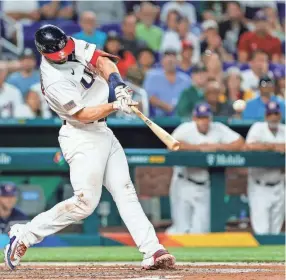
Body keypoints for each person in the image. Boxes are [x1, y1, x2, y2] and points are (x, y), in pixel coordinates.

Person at [4, 24, 175, 271]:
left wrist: (116, 84)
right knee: (85, 203)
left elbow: (102, 60)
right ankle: (25, 234)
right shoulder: (53, 81)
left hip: (102, 131)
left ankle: (152, 250)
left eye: (64, 49)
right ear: (44, 53)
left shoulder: (70, 43)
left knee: (125, 190)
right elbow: (82, 114)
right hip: (80, 135)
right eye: (57, 53)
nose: (63, 55)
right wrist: (115, 106)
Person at [167, 103, 244, 234]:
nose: (203, 121)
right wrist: (199, 148)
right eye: (200, 117)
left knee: (201, 231)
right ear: (194, 118)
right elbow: (171, 144)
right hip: (183, 183)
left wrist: (217, 146)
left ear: (210, 118)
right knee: (181, 229)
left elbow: (240, 142)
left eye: (206, 118)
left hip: (204, 186)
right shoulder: (186, 128)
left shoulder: (218, 128)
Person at [244, 101, 285, 234]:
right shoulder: (258, 128)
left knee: (276, 232)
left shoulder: (284, 130)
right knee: (262, 231)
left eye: (276, 114)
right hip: (259, 187)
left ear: (280, 115)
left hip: (279, 185)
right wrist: (273, 146)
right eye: (270, 114)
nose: (273, 117)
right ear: (266, 116)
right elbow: (249, 146)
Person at [143, 50, 190, 117]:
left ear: (177, 62)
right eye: (168, 61)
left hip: (182, 117)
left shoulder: (186, 79)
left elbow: (189, 97)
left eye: (172, 61)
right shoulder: (152, 76)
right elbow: (149, 97)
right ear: (162, 61)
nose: (170, 63)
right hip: (158, 118)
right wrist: (166, 107)